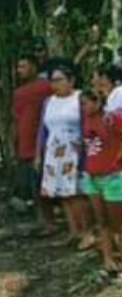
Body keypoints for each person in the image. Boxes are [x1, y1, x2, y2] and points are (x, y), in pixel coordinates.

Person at [38, 63, 92, 246]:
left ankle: (87, 232)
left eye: (59, 80)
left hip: (75, 151)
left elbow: (88, 122)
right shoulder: (48, 102)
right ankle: (73, 231)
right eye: (52, 81)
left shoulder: (79, 98)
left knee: (76, 193)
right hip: (54, 152)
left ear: (71, 81)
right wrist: (40, 154)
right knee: (62, 193)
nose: (55, 84)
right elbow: (43, 130)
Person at [80, 90, 122, 277]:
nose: (82, 108)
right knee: (101, 221)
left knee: (118, 223)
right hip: (92, 177)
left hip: (112, 176)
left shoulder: (111, 118)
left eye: (85, 103)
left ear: (97, 102)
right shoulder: (86, 120)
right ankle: (108, 259)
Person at [11, 54, 53, 215]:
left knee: (46, 185)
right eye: (18, 67)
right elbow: (16, 120)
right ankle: (43, 219)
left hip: (43, 144)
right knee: (32, 186)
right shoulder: (18, 93)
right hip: (25, 145)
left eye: (23, 66)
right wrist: (14, 145)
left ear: (34, 67)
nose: (19, 70)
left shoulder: (46, 87)